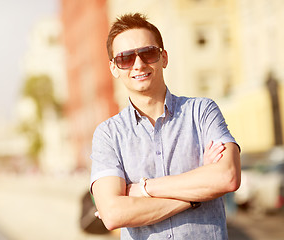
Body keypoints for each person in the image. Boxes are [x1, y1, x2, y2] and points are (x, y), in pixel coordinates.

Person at [90, 13, 241, 240]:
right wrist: (196, 194)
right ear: (114, 68)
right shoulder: (108, 135)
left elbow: (227, 177)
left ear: (164, 58)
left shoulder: (201, 112)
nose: (138, 64)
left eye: (148, 53)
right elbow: (112, 214)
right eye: (125, 58)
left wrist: (143, 189)